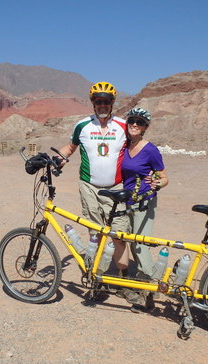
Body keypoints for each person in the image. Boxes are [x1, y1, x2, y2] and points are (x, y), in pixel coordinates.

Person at [59, 81, 130, 274]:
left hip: (116, 188)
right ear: (93, 103)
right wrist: (59, 158)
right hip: (89, 187)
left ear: (112, 103)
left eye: (106, 102)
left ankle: (123, 279)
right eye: (98, 102)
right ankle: (97, 275)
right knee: (96, 234)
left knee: (119, 235)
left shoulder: (124, 126)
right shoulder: (82, 126)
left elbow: (138, 149)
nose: (102, 106)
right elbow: (71, 147)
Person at [121, 107, 169, 312]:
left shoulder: (150, 149)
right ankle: (141, 284)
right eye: (132, 120)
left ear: (145, 127)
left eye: (139, 122)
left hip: (144, 202)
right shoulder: (124, 146)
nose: (134, 124)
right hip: (126, 203)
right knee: (131, 244)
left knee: (140, 246)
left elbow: (164, 177)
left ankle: (150, 290)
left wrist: (157, 183)